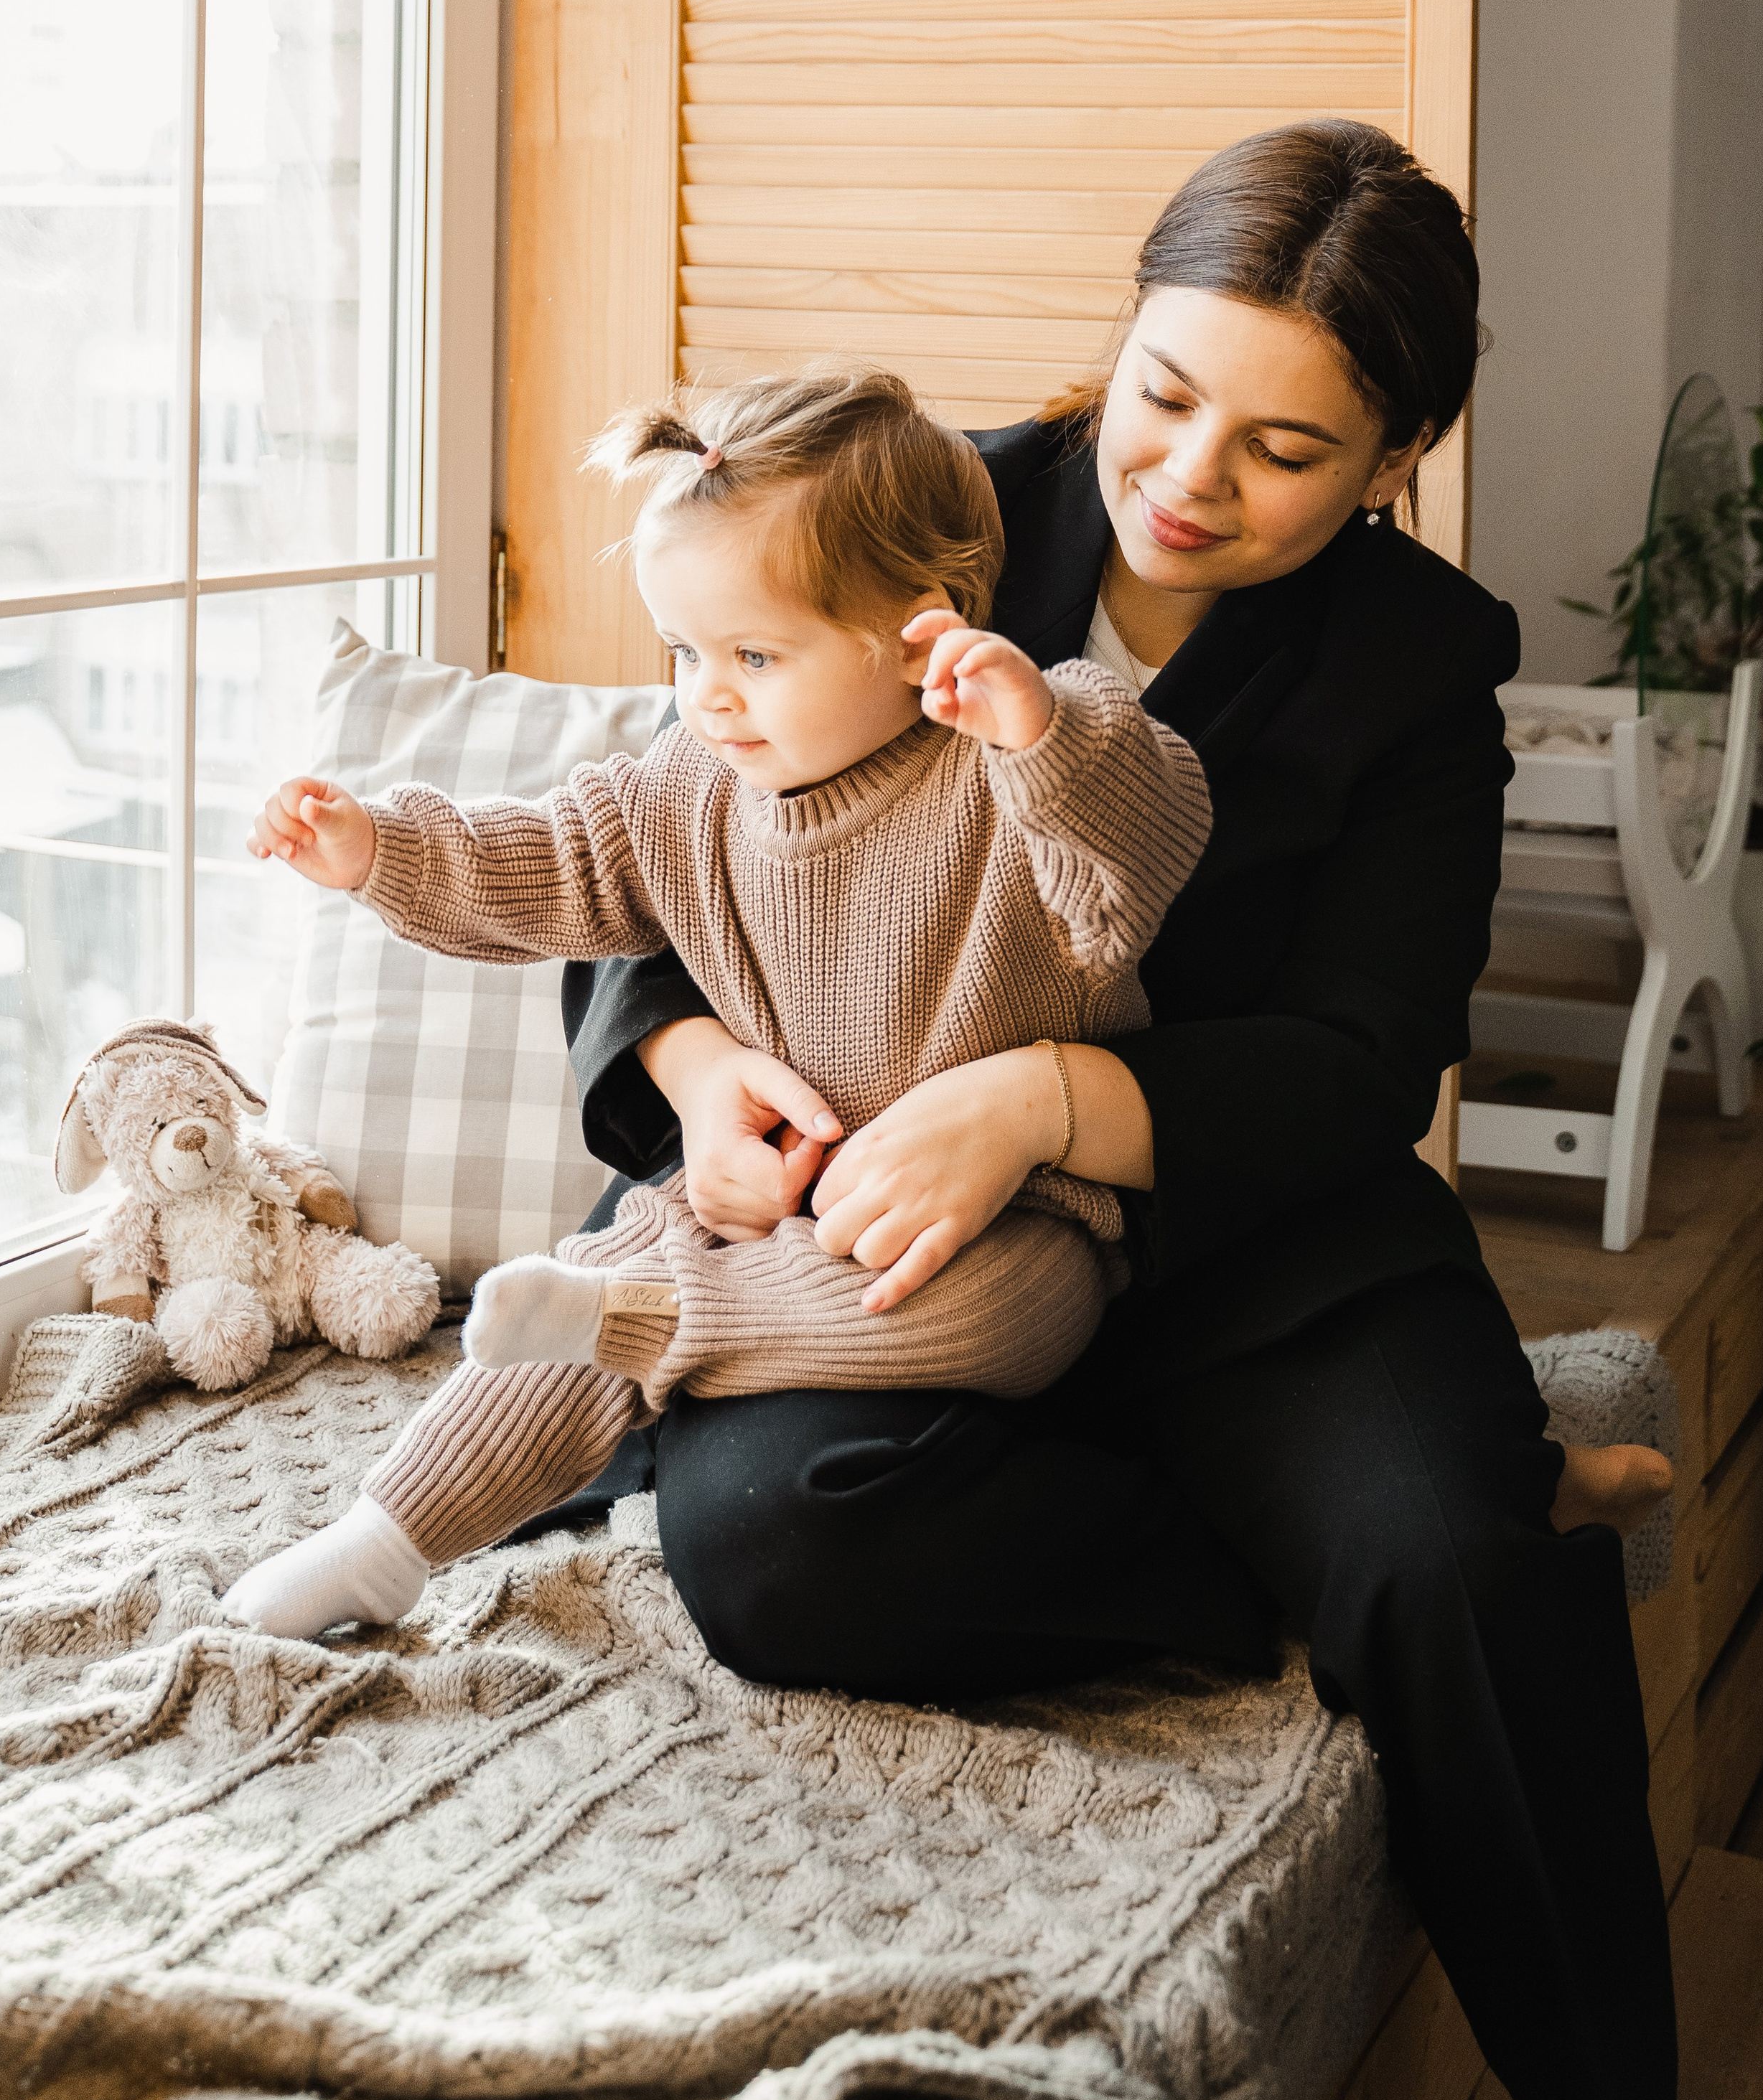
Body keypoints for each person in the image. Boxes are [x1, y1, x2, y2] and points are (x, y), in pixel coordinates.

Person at [566, 123, 1679, 2100]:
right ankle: (1301, 1548)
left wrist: (1047, 1097)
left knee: (1454, 1574)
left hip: (1248, 1240)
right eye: (1163, 394)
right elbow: (643, 844)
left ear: (1399, 454)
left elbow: (1368, 1050)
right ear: (1125, 331)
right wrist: (688, 1071)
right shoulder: (904, 503)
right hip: (882, 1253)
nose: (1184, 477)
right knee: (774, 1554)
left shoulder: (1422, 663)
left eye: (1285, 448)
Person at [220, 368, 1225, 1642]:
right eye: (684, 652)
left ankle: (648, 1326)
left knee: (953, 1307)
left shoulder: (1013, 768)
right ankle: (380, 1541)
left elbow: (1144, 847)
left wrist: (1037, 731)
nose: (708, 693)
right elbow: (548, 858)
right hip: (767, 1204)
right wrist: (378, 848)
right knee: (594, 1280)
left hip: (1007, 1224)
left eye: (754, 655)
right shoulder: (694, 785)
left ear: (918, 636)